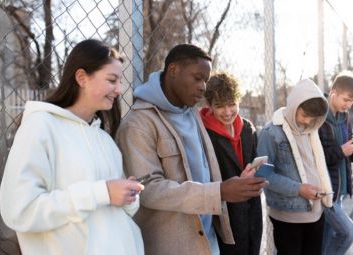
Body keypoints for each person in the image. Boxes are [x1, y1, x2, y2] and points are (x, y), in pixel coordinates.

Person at [116, 44, 268, 255]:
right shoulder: (138, 123)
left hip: (208, 241)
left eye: (205, 80)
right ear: (173, 71)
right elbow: (147, 189)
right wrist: (220, 191)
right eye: (197, 78)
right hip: (172, 245)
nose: (203, 87)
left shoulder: (192, 115)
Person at [0, 39, 145, 254]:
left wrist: (127, 196)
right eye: (112, 80)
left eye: (120, 81)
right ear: (81, 78)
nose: (119, 90)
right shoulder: (40, 126)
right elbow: (21, 209)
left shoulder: (105, 140)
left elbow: (114, 214)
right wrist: (101, 193)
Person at [256, 79, 333, 255]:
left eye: (312, 118)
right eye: (304, 115)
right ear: (294, 105)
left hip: (316, 212)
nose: (307, 121)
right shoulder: (270, 133)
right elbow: (263, 174)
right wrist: (299, 189)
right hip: (288, 217)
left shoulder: (312, 130)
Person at [199, 72, 263, 255]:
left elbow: (253, 160)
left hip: (252, 210)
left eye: (232, 104)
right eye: (220, 106)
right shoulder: (203, 132)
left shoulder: (248, 128)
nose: (227, 112)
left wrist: (258, 173)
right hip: (223, 215)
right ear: (209, 105)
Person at [318, 72, 353, 255]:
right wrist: (342, 151)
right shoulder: (318, 117)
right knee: (348, 233)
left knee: (326, 241)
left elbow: (348, 151)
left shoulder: (344, 117)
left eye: (352, 102)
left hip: (339, 193)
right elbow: (314, 159)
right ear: (333, 92)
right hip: (325, 192)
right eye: (347, 99)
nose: (349, 104)